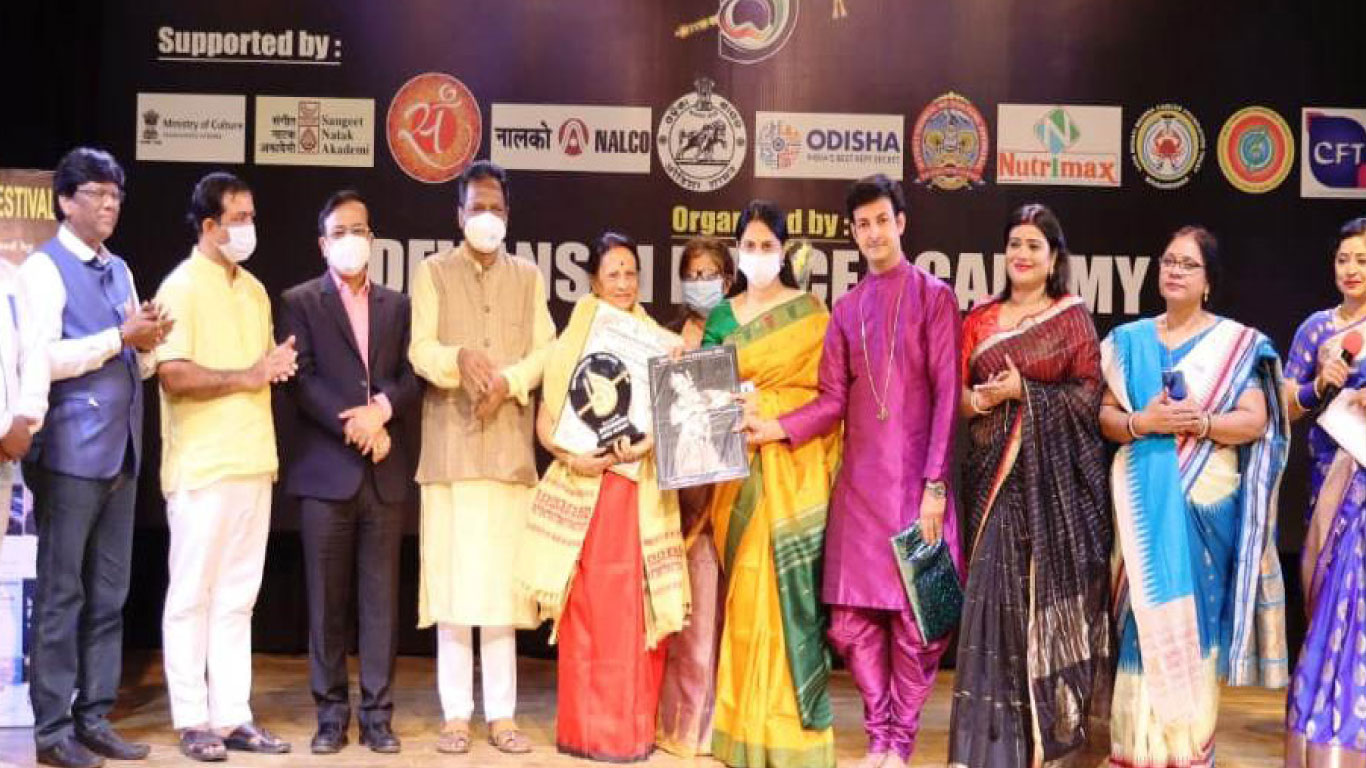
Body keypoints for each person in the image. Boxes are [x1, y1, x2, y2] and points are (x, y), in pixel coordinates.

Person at [744, 176, 961, 768]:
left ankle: (901, 741)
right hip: (860, 489)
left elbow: (948, 395)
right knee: (850, 622)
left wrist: (935, 486)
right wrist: (776, 426)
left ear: (901, 223)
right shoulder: (847, 309)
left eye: (882, 221)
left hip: (917, 486)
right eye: (863, 225)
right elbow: (831, 401)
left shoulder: (934, 297)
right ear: (853, 233)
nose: (874, 233)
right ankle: (878, 736)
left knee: (917, 623)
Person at [1097, 225, 1288, 768]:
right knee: (1140, 625)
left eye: (1187, 264)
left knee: (1194, 630)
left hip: (1206, 509)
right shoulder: (1129, 342)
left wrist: (1199, 423)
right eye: (1168, 261)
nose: (1174, 271)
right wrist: (1143, 422)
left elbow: (1254, 421)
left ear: (1208, 281)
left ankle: (1187, 752)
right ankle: (1136, 752)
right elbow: (1106, 415)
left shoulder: (1236, 344)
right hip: (1143, 507)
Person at [947, 204, 1112, 768]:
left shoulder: (1071, 317)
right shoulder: (979, 320)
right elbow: (957, 398)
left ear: (1053, 257)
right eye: (1015, 243)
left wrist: (1027, 392)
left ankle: (1038, 746)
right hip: (993, 484)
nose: (1022, 254)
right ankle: (988, 748)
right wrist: (984, 399)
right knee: (990, 606)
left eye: (1034, 246)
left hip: (1051, 491)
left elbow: (1089, 398)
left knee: (1037, 610)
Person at [21, 147, 168, 768]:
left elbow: (137, 357)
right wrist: (118, 338)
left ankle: (93, 716)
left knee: (109, 595)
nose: (110, 205)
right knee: (63, 596)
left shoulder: (121, 268)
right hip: (69, 454)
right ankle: (52, 731)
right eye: (97, 194)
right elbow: (42, 359)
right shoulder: (42, 269)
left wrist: (150, 339)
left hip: (122, 452)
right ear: (65, 201)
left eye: (115, 196)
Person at [516, 232, 688, 762]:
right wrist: (572, 458)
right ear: (593, 280)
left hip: (636, 495)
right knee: (587, 612)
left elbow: (675, 419)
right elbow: (547, 421)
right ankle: (583, 731)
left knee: (632, 613)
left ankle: (627, 734)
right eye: (612, 273)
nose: (623, 283)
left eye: (630, 273)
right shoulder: (572, 339)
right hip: (585, 493)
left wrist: (650, 439)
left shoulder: (660, 342)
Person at [407, 160, 552, 755]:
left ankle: (503, 715)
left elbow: (546, 351)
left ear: (507, 215)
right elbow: (420, 348)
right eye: (476, 208)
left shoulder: (529, 276)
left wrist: (510, 381)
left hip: (509, 453)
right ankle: (454, 715)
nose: (486, 217)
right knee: (452, 592)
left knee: (499, 595)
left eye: (495, 208)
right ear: (459, 214)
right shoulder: (433, 273)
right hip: (451, 451)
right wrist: (459, 359)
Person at [155, 171, 299, 761]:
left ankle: (233, 715)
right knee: (192, 594)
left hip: (253, 460)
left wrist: (274, 366)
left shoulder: (256, 290)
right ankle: (192, 719)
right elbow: (173, 373)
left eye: (251, 217)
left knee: (238, 597)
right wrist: (251, 374)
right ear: (209, 225)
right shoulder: (180, 287)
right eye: (238, 219)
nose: (248, 228)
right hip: (202, 465)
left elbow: (262, 368)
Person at [694, 201, 840, 767]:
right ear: (737, 252)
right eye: (749, 246)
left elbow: (829, 399)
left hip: (793, 470)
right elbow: (701, 394)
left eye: (767, 245)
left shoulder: (810, 314)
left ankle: (792, 734)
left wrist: (769, 410)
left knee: (787, 601)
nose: (758, 255)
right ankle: (740, 728)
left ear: (783, 251)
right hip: (738, 477)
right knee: (747, 596)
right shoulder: (720, 317)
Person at [278, 190, 422, 754]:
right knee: (326, 603)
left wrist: (380, 412)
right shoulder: (299, 301)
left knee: (380, 605)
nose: (350, 240)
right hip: (326, 474)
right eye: (339, 232)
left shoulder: (398, 305)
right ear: (323, 243)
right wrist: (356, 427)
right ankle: (331, 717)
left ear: (372, 238)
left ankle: (378, 717)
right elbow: (302, 380)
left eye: (358, 230)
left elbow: (411, 376)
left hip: (383, 475)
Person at [1283, 217, 1366, 767]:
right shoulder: (1316, 329)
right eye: (1343, 259)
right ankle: (1322, 727)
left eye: (1362, 260)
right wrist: (1320, 384)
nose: (1351, 269)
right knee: (1330, 595)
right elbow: (1285, 404)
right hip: (1328, 480)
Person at [656, 236, 735, 757]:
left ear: (728, 280)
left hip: (731, 490)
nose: (702, 282)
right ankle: (681, 726)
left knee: (723, 618)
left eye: (711, 274)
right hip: (680, 496)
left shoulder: (742, 330)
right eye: (693, 273)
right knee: (688, 619)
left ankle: (716, 726)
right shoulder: (666, 337)